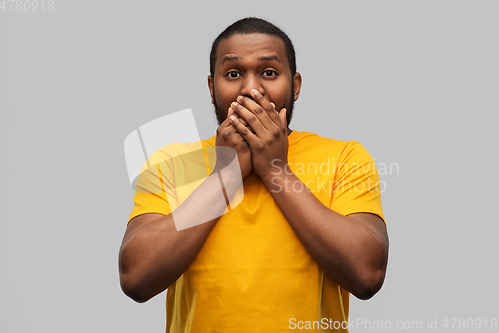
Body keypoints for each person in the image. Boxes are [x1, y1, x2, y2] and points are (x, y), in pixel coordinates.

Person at [119, 17, 389, 332]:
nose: (250, 89)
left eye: (269, 73)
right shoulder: (170, 162)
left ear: (296, 86)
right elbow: (136, 278)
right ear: (211, 87)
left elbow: (367, 275)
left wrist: (276, 170)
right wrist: (225, 176)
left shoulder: (344, 157)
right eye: (233, 74)